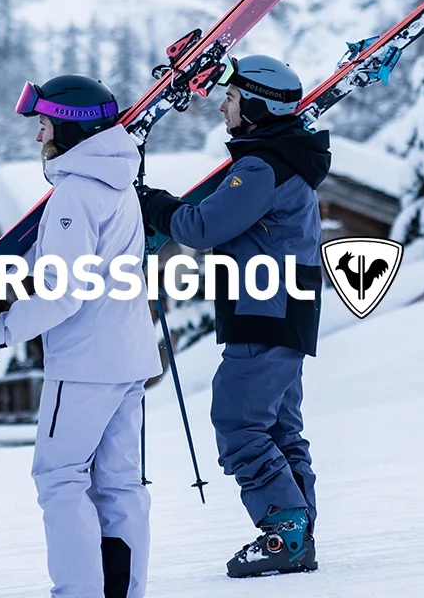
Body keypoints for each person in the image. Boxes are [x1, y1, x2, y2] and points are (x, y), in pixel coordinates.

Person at [0, 75, 162, 598]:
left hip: (85, 363)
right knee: (119, 485)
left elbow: (62, 291)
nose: (38, 136)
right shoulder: (117, 185)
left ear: (71, 127)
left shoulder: (74, 194)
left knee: (60, 478)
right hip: (129, 355)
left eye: (44, 125)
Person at [135, 54, 327, 578]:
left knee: (239, 420)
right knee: (278, 426)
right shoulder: (286, 160)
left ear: (259, 107)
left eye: (232, 98)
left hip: (264, 308)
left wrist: (151, 203)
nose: (223, 107)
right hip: (285, 308)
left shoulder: (262, 167)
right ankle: (296, 533)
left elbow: (201, 228)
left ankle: (285, 533)